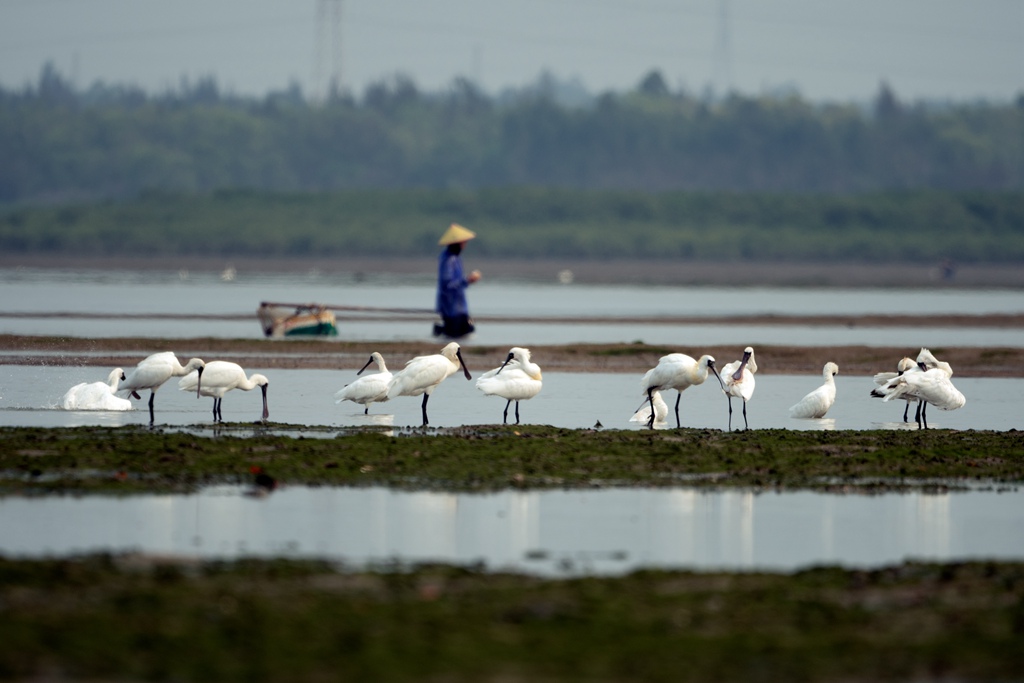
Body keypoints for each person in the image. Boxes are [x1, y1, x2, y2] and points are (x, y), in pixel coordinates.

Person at [434, 223, 481, 338]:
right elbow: (448, 285)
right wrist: (467, 280)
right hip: (450, 308)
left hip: (459, 308)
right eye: (463, 242)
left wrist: (466, 281)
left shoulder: (456, 258)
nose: (465, 245)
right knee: (454, 337)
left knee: (466, 333)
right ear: (457, 243)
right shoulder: (448, 260)